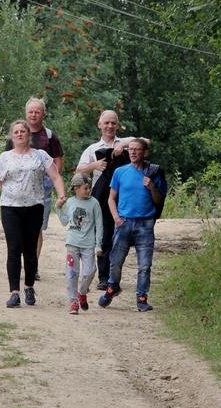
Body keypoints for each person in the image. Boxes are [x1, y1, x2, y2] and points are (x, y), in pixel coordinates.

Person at [0, 120, 68, 308]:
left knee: (30, 250)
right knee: (14, 249)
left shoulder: (40, 156)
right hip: (10, 208)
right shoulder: (5, 157)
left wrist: (61, 194)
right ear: (12, 136)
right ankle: (14, 292)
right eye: (16, 132)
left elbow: (55, 176)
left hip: (34, 206)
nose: (20, 134)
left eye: (23, 131)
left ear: (29, 135)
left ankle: (29, 286)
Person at [76, 110, 146, 290]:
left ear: (117, 125)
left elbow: (146, 142)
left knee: (121, 236)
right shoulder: (92, 149)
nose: (110, 126)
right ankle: (104, 277)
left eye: (113, 123)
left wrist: (123, 144)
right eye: (106, 123)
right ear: (99, 124)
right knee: (104, 236)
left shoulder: (128, 142)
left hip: (127, 197)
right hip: (102, 197)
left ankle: (115, 275)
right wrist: (95, 165)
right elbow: (78, 171)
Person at [98, 138, 167, 312]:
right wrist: (116, 218)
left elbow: (159, 200)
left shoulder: (153, 173)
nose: (133, 152)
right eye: (131, 150)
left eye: (137, 150)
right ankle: (113, 287)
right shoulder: (120, 172)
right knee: (115, 261)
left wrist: (152, 187)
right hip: (124, 222)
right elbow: (111, 198)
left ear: (145, 153)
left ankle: (142, 298)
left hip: (145, 223)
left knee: (144, 264)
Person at [4, 97, 63, 281]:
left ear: (43, 114)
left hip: (41, 188)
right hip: (15, 195)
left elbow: (57, 163)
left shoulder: (50, 136)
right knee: (17, 235)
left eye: (37, 111)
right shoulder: (15, 134)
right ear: (26, 113)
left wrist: (50, 182)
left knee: (36, 230)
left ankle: (32, 266)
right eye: (31, 111)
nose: (34, 114)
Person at [56, 173, 103, 314]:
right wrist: (58, 208)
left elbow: (99, 225)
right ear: (76, 189)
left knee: (90, 272)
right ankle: (73, 302)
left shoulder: (94, 203)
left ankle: (82, 292)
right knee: (72, 273)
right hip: (72, 243)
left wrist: (98, 244)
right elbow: (65, 221)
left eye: (89, 188)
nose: (88, 191)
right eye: (85, 188)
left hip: (88, 244)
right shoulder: (70, 202)